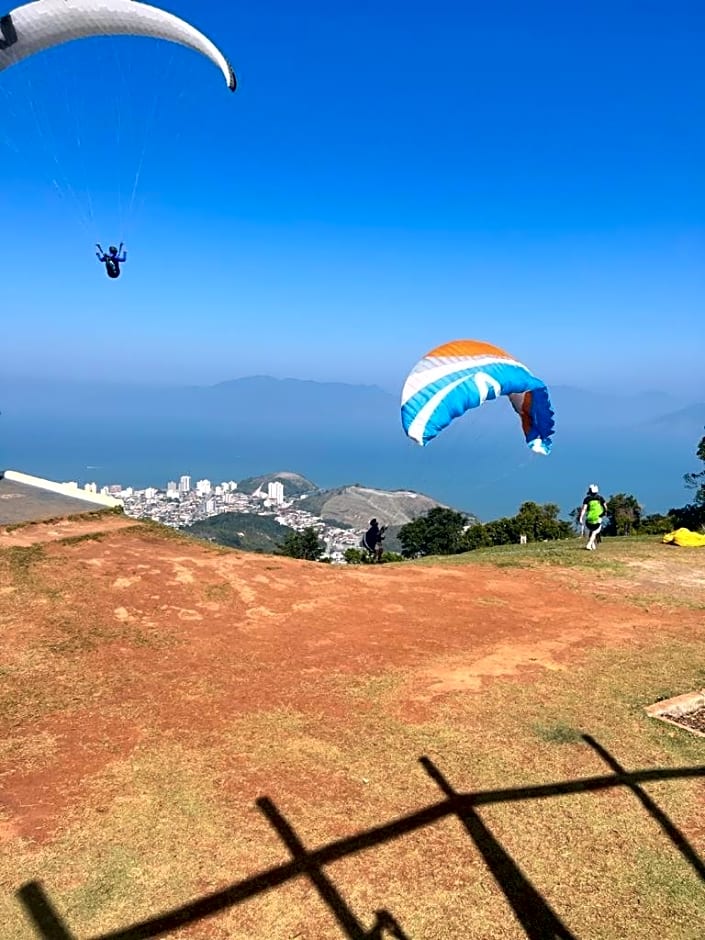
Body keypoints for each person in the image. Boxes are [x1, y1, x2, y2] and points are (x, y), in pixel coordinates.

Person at [579, 484, 607, 550]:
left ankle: (592, 545)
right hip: (598, 517)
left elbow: (584, 509)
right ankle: (589, 544)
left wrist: (581, 517)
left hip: (589, 517)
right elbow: (605, 507)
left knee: (589, 531)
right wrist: (604, 513)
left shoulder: (587, 499)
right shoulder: (601, 498)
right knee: (594, 532)